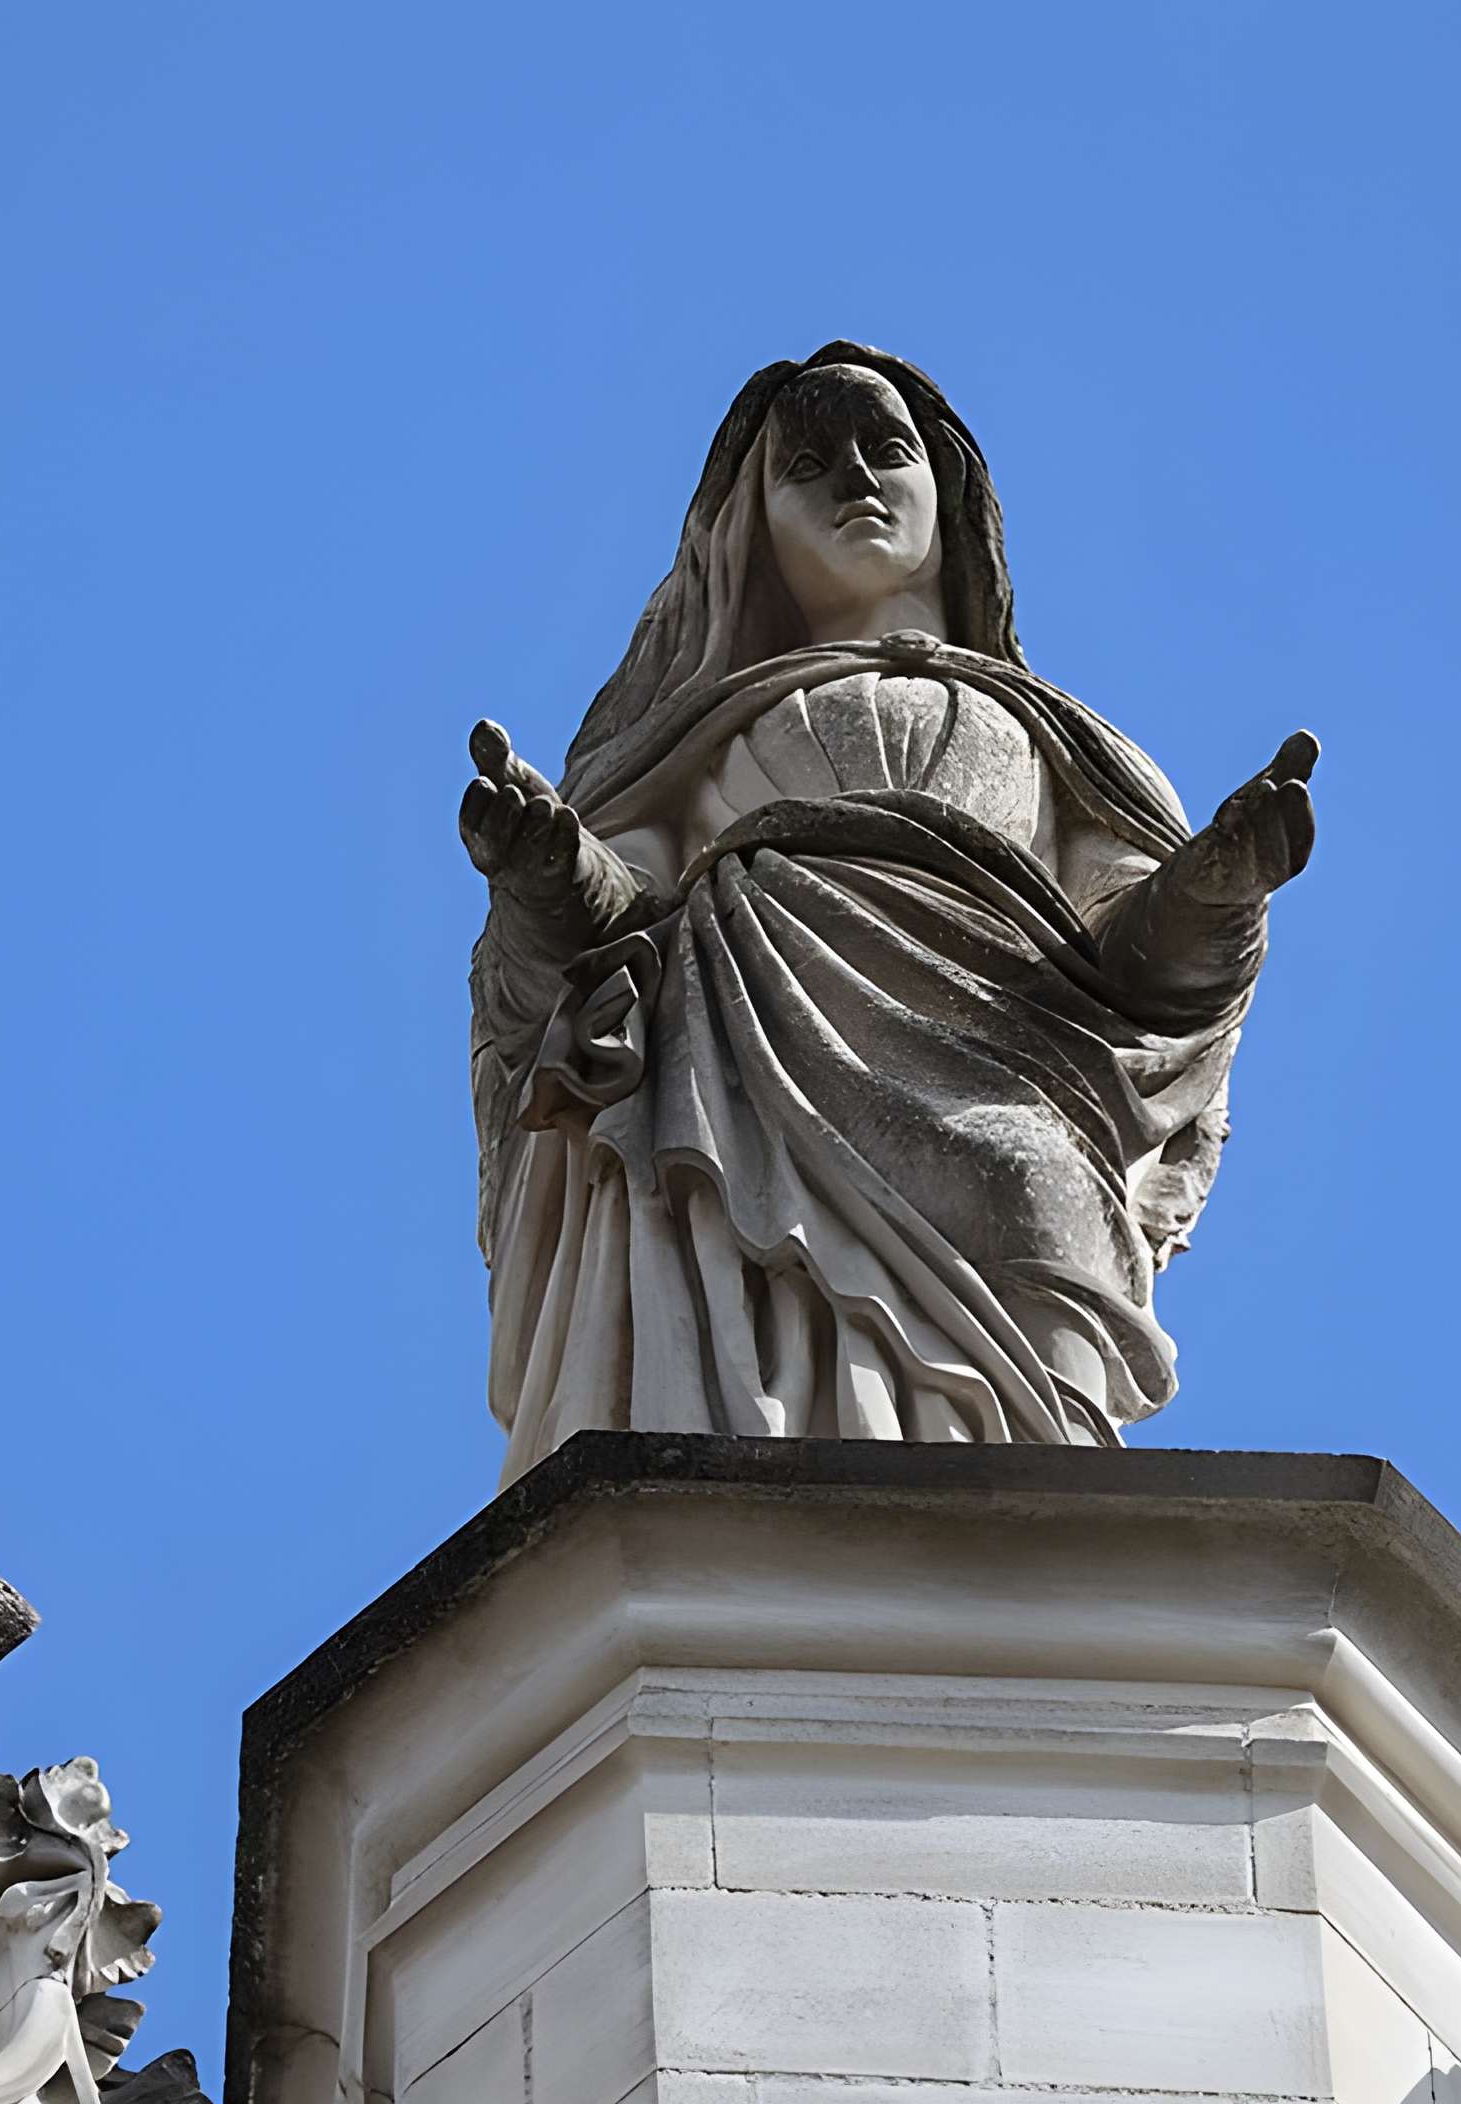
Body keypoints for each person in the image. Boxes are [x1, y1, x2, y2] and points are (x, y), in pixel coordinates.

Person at [461, 342, 1316, 1478]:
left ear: (944, 494)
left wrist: (1215, 892)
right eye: (805, 465)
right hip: (744, 1064)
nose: (852, 482)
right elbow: (609, 925)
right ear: (751, 531)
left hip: (1011, 1061)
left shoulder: (1061, 746)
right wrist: (541, 863)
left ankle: (1036, 1574)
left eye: (886, 450)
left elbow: (1146, 985)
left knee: (1037, 1221)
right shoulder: (692, 740)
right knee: (735, 1301)